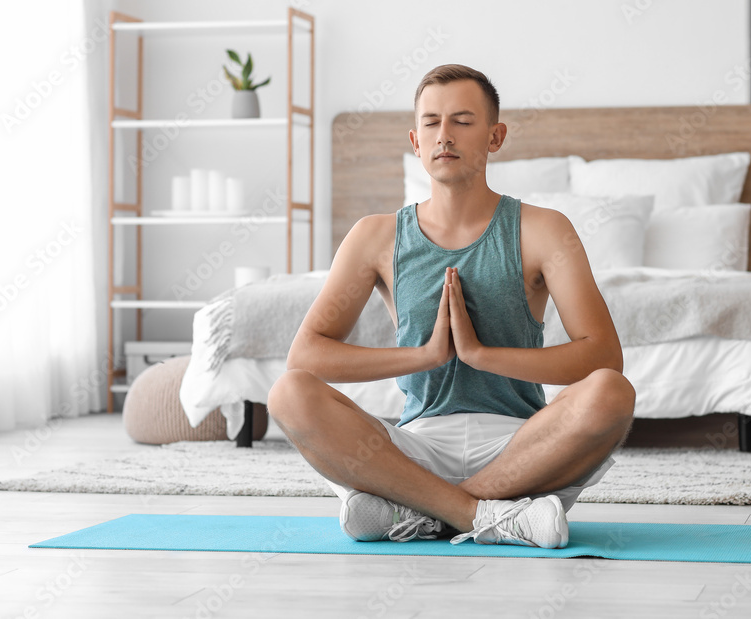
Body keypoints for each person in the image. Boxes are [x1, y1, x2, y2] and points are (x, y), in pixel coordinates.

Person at [268, 64, 635, 549]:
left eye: (463, 121)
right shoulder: (375, 236)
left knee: (611, 392)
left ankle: (422, 513)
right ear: (416, 141)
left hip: (523, 451)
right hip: (416, 448)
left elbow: (603, 356)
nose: (445, 135)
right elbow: (307, 356)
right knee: (289, 393)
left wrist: (482, 355)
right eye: (431, 123)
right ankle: (486, 517)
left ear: (494, 136)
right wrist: (425, 356)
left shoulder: (544, 229)